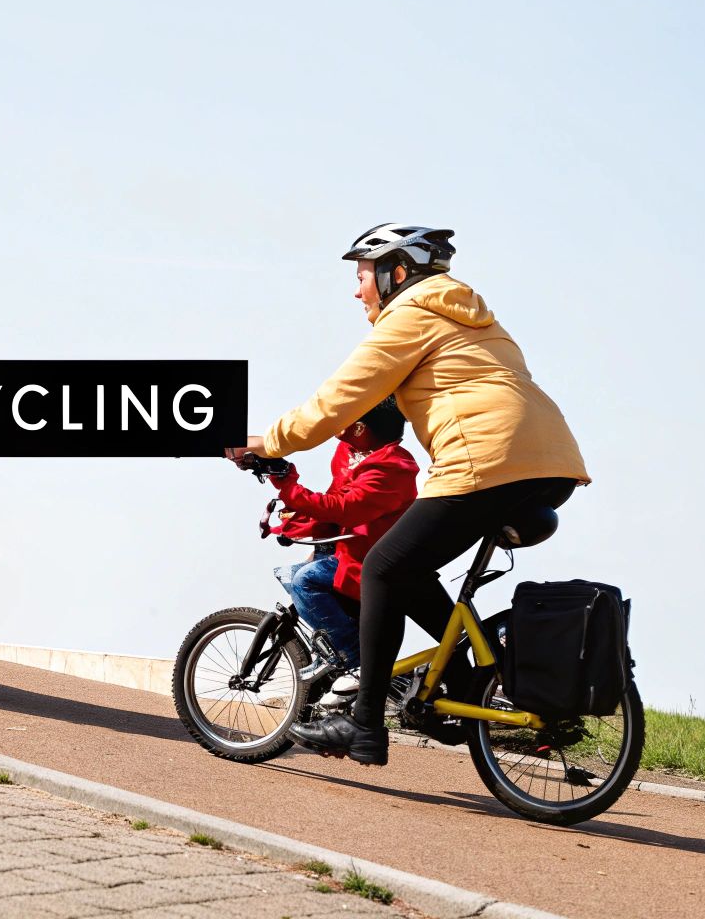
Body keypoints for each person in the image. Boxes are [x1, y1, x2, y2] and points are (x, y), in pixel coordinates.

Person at [227, 223, 589, 766]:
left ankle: (365, 723)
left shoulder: (411, 314)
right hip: (553, 466)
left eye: (362, 276)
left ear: (396, 273)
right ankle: (465, 683)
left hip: (485, 462)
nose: (357, 291)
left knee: (381, 568)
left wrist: (266, 441)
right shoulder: (476, 319)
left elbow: (337, 401)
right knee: (410, 572)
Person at [268, 396, 419, 701]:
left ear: (360, 428)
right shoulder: (349, 452)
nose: (338, 417)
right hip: (347, 550)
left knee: (305, 581)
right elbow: (333, 502)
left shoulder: (394, 467)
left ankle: (356, 661)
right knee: (289, 574)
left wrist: (288, 485)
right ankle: (337, 656)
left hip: (371, 563)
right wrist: (297, 529)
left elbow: (344, 508)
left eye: (347, 413)